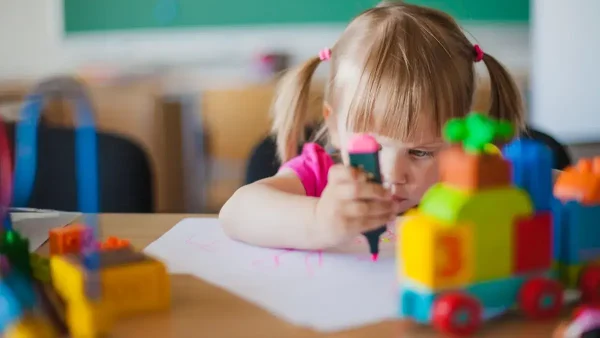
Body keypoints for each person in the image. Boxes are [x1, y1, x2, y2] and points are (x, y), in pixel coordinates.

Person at [220, 1, 524, 250]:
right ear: (335, 125)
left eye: (420, 152)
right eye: (372, 148)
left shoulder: (467, 176)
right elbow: (235, 213)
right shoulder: (319, 176)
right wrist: (319, 221)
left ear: (459, 138)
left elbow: (551, 185)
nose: (393, 174)